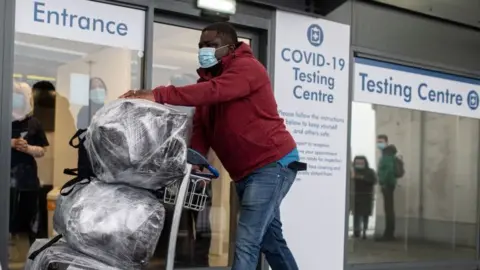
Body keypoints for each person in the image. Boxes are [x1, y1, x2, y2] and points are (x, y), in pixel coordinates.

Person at [121, 22, 301, 270]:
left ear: (230, 47)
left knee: (247, 241)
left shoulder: (247, 69)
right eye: (201, 46)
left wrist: (158, 95)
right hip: (245, 171)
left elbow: (214, 92)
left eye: (211, 45)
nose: (204, 50)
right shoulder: (209, 79)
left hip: (272, 164)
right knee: (272, 242)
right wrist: (196, 161)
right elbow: (202, 127)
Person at [10, 82, 49, 245]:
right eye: (14, 96)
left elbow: (42, 150)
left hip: (28, 179)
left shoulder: (35, 123)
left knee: (28, 218)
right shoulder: (4, 119)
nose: (17, 100)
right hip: (7, 179)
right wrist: (10, 143)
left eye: (20, 97)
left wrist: (28, 148)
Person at [376, 134, 398, 241]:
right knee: (389, 209)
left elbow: (389, 170)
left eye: (381, 141)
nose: (379, 143)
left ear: (386, 142)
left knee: (388, 209)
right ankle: (389, 233)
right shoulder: (387, 153)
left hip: (387, 185)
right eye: (378, 141)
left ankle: (389, 234)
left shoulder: (387, 154)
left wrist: (383, 182)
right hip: (389, 184)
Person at [350, 156, 376, 239]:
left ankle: (364, 231)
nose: (359, 164)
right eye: (357, 163)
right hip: (356, 196)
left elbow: (374, 180)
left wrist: (362, 178)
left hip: (366, 196)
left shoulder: (370, 171)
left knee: (365, 215)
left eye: (361, 163)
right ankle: (356, 232)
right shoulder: (352, 171)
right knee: (356, 215)